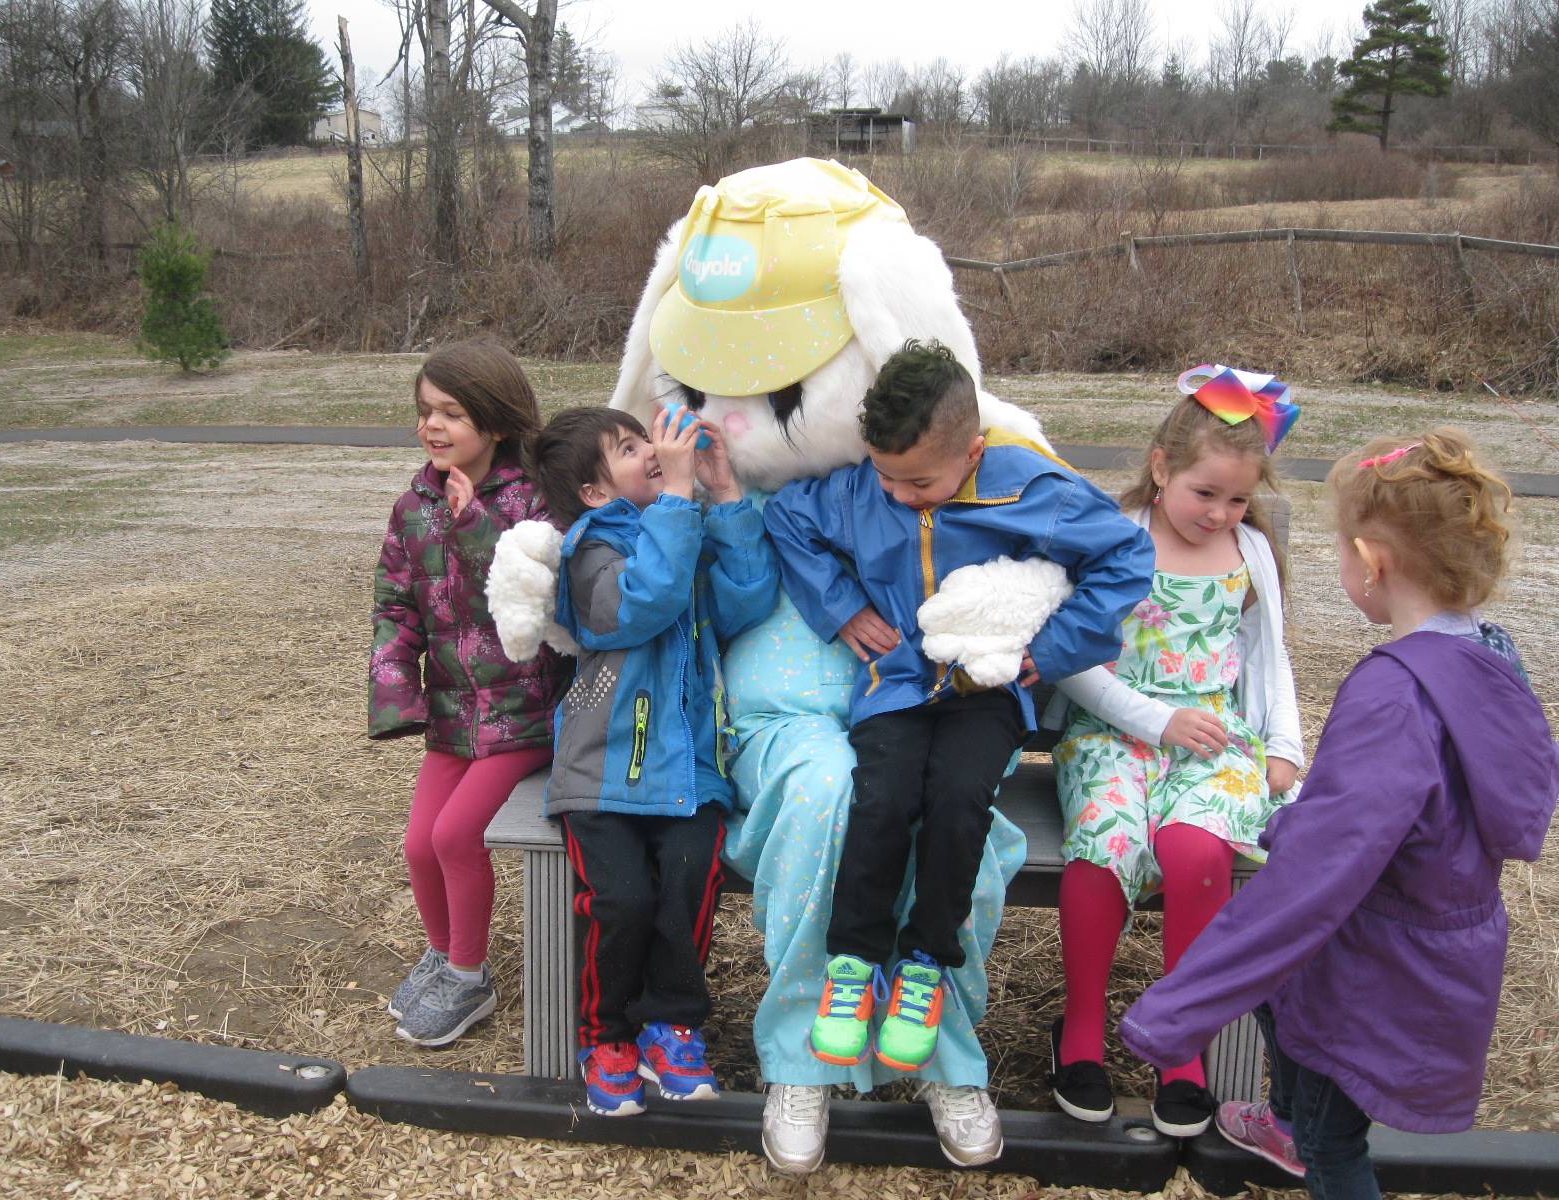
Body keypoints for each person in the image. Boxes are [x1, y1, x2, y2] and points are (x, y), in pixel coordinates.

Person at [1120, 428, 1557, 1200]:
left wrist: (1178, 1006)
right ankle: (1283, 1114)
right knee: (1280, 1005)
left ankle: (1296, 1126)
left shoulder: (1393, 694)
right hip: (1435, 940)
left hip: (1374, 965)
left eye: (1342, 554)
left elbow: (1315, 880)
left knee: (1331, 1143)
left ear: (1373, 562)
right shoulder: (1492, 656)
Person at [761, 339, 1153, 1152]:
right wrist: (839, 608)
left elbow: (1127, 555)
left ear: (972, 452)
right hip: (896, 686)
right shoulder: (860, 492)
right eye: (886, 478)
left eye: (921, 483)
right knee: (882, 798)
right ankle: (851, 967)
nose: (900, 496)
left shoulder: (1030, 488)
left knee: (957, 800)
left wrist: (1048, 649)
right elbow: (788, 518)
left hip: (987, 695)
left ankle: (925, 967)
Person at [1047, 365, 1305, 1137]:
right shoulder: (1118, 538)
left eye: (1236, 499)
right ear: (1161, 467)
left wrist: (1285, 746)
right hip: (1112, 732)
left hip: (1217, 738)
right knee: (1106, 842)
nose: (1220, 512)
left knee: (1196, 850)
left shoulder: (1249, 550)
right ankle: (1082, 1031)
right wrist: (1154, 721)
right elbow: (1074, 658)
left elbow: (1268, 656)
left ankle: (1179, 1043)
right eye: (1205, 494)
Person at [530, 404, 779, 1117]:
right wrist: (676, 497)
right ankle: (606, 1036)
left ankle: (674, 1023)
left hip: (688, 771)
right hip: (601, 774)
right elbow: (639, 605)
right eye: (629, 447)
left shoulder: (682, 527)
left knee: (687, 890)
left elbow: (748, 602)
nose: (651, 452)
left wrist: (724, 498)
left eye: (646, 441)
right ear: (594, 492)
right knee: (622, 901)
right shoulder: (589, 550)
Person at [368, 337, 567, 1047]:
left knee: (458, 835)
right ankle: (444, 953)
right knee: (420, 844)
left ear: (497, 421)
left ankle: (469, 975)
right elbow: (395, 604)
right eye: (425, 412)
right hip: (454, 715)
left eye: (451, 413)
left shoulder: (534, 498)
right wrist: (396, 689)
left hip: (525, 712)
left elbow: (536, 595)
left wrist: (475, 526)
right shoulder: (412, 505)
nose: (433, 427)